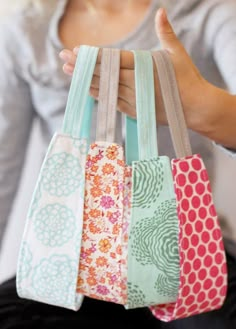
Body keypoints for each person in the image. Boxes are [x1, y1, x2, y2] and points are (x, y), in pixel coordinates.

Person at [0, 1, 236, 328]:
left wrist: (204, 112)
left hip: (184, 255)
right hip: (71, 258)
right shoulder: (25, 32)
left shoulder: (203, 12)